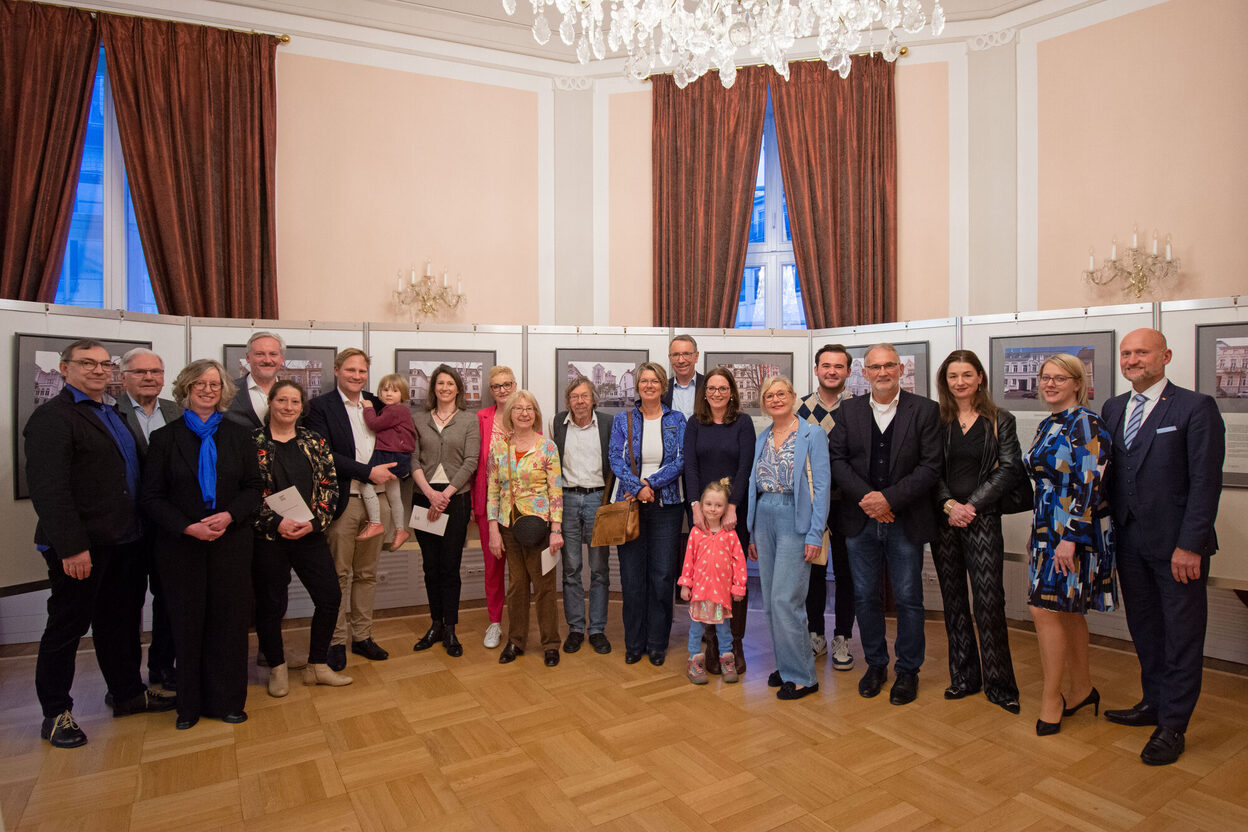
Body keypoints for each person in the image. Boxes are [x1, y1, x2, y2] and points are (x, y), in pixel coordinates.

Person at [26, 340, 176, 748]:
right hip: (82, 549)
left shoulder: (110, 413)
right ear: (64, 368)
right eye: (86, 363)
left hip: (125, 542)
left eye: (102, 363)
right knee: (67, 628)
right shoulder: (53, 418)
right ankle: (56, 713)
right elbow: (49, 491)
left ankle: (127, 693)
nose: (97, 370)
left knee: (121, 622)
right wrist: (72, 547)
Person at [1101, 329, 1224, 765]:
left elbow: (1206, 484)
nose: (1133, 360)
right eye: (1127, 353)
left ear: (1166, 356)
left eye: (1142, 352)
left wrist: (1190, 545)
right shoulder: (1114, 408)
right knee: (1146, 630)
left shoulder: (1196, 407)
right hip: (1130, 544)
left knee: (1182, 635)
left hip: (1178, 550)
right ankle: (1153, 702)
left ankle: (1174, 725)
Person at [140, 359, 262, 729]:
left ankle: (228, 701)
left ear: (224, 390)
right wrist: (188, 527)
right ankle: (189, 706)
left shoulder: (240, 436)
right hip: (182, 548)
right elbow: (151, 498)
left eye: (214, 384)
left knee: (229, 624)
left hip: (231, 543)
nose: (208, 390)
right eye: (200, 384)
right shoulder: (164, 439)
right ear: (186, 389)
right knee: (188, 624)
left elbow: (255, 488)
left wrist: (228, 517)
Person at [828, 343, 941, 706]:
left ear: (901, 369)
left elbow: (930, 467)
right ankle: (876, 663)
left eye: (888, 365)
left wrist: (889, 499)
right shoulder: (848, 412)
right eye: (874, 367)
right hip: (860, 521)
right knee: (864, 596)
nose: (882, 373)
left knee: (909, 598)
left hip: (905, 520)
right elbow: (837, 460)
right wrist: (870, 500)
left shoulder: (924, 411)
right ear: (864, 373)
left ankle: (908, 670)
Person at [1024, 353, 1117, 737]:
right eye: (1045, 377)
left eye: (1059, 378)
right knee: (1068, 612)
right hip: (1047, 529)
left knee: (1044, 611)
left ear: (1077, 383)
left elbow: (1091, 485)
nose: (1050, 384)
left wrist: (1070, 539)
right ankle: (1082, 689)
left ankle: (1052, 699)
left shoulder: (1086, 423)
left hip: (1074, 533)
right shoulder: (1048, 424)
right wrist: (1040, 531)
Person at [932, 350, 1021, 714]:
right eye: (953, 376)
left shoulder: (1001, 419)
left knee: (988, 602)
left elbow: (1010, 467)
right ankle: (964, 676)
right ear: (945, 381)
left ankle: (1000, 684)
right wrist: (950, 505)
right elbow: (928, 469)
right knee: (953, 603)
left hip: (982, 518)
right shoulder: (936, 420)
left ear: (980, 378)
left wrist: (972, 506)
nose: (960, 382)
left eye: (967, 374)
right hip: (944, 519)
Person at [252, 379, 353, 696]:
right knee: (270, 604)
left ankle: (317, 666)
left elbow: (330, 486)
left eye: (295, 402)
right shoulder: (252, 442)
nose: (288, 407)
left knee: (330, 597)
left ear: (301, 407)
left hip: (310, 533)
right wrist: (276, 522)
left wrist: (314, 522)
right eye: (282, 400)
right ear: (271, 402)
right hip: (270, 536)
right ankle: (277, 667)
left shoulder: (314, 440)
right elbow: (246, 491)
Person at [305, 349, 397, 671]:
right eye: (350, 370)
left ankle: (362, 637)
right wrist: (366, 471)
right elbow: (323, 454)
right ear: (336, 370)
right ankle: (335, 641)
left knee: (367, 574)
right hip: (344, 501)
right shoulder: (319, 407)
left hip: (379, 501)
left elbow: (397, 438)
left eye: (362, 371)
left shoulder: (378, 405)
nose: (357, 376)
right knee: (339, 575)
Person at [748, 377, 830, 701]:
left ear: (794, 397)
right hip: (765, 515)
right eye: (769, 395)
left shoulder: (813, 434)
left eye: (782, 393)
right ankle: (786, 666)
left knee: (787, 599)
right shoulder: (762, 437)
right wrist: (752, 530)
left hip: (796, 519)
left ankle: (803, 676)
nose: (776, 398)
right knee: (770, 601)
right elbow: (754, 486)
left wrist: (815, 533)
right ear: (764, 402)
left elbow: (821, 488)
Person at [609, 362, 687, 666]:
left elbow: (681, 460)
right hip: (630, 504)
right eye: (644, 381)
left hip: (667, 506)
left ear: (663, 386)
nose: (649, 385)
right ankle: (634, 642)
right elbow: (615, 458)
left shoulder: (677, 419)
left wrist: (650, 484)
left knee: (662, 576)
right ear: (637, 386)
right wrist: (637, 487)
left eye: (655, 381)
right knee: (631, 577)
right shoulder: (623, 419)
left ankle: (657, 643)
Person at [115, 347, 182, 692]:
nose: (149, 378)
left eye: (155, 372)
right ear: (123, 376)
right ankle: (126, 680)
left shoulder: (176, 411)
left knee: (168, 599)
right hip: (126, 525)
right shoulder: (110, 412)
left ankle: (162, 665)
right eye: (140, 372)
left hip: (168, 525)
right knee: (126, 603)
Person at [682, 366, 754, 674]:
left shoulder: (744, 423)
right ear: (704, 392)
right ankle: (711, 643)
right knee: (704, 575)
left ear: (732, 392)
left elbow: (745, 467)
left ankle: (733, 644)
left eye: (722, 388)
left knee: (733, 575)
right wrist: (696, 506)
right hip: (703, 511)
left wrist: (734, 506)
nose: (716, 393)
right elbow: (690, 467)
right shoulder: (694, 424)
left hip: (733, 512)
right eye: (711, 388)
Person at [487, 390, 564, 666]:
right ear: (510, 414)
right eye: (518, 408)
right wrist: (493, 530)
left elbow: (555, 490)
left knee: (544, 587)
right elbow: (493, 490)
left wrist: (556, 529)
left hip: (539, 527)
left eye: (529, 408)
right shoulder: (499, 448)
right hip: (508, 525)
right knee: (517, 586)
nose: (523, 412)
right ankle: (516, 641)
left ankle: (551, 644)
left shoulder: (547, 448)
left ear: (536, 414)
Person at [410, 365, 479, 658]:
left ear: (458, 388)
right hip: (424, 496)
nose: (445, 388)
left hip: (455, 498)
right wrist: (429, 494)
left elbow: (471, 461)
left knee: (450, 566)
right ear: (433, 388)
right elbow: (412, 459)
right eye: (440, 383)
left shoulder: (469, 420)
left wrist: (445, 495)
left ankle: (451, 628)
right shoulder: (418, 419)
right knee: (430, 566)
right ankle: (435, 624)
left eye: (450, 383)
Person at [795, 343, 856, 671]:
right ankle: (815, 633)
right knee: (813, 571)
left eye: (839, 366)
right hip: (811, 503)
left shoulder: (859, 407)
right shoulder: (799, 407)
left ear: (847, 371)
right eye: (826, 365)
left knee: (847, 573)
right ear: (816, 369)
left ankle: (843, 636)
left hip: (848, 503)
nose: (832, 371)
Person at [551, 376, 614, 655]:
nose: (579, 401)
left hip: (597, 501)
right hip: (567, 499)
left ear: (593, 399)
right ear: (569, 401)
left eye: (584, 396)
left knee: (599, 570)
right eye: (574, 396)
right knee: (572, 569)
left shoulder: (608, 424)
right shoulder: (558, 423)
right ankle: (576, 628)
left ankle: (597, 629)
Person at [680, 479, 748, 685]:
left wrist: (738, 587)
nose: (713, 509)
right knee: (696, 630)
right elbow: (688, 561)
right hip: (700, 595)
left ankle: (727, 661)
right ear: (701, 505)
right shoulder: (696, 533)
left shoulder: (730, 535)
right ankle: (695, 662)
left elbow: (739, 563)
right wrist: (685, 584)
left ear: (725, 508)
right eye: (708, 504)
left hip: (721, 594)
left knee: (724, 630)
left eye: (718, 505)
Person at [473, 365, 518, 649]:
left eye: (506, 384)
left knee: (519, 569)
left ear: (515, 386)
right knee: (493, 566)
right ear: (490, 391)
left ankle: (518, 624)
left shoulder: (526, 415)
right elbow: (473, 460)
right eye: (496, 386)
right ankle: (494, 622)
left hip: (521, 505)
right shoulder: (480, 418)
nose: (502, 390)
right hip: (488, 502)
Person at [358, 373, 417, 549]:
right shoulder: (396, 410)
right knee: (394, 495)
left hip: (389, 454)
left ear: (403, 394)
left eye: (394, 390)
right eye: (385, 390)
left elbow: (374, 424)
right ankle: (400, 530)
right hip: (398, 456)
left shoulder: (396, 410)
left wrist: (368, 407)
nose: (388, 394)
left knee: (366, 484)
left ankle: (375, 522)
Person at [225, 331, 285, 429]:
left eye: (273, 354)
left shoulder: (294, 393)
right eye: (259, 354)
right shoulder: (228, 391)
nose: (267, 360)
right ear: (248, 358)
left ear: (282, 359)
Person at [662, 333, 704, 420]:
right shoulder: (662, 389)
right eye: (676, 355)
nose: (681, 360)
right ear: (670, 358)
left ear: (696, 356)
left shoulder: (708, 385)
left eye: (686, 354)